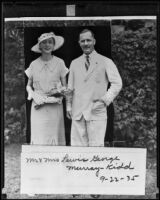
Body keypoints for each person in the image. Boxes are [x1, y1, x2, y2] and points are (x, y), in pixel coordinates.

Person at [67, 29, 122, 147]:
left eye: (88, 40)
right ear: (79, 43)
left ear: (94, 41)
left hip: (96, 111)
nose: (86, 43)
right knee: (77, 150)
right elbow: (70, 88)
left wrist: (105, 100)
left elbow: (117, 83)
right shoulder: (74, 63)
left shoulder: (106, 61)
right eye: (83, 41)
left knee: (96, 149)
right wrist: (68, 106)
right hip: (78, 112)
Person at [25, 32, 68, 145]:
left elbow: (65, 88)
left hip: (54, 106)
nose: (47, 45)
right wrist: (32, 93)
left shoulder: (60, 63)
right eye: (44, 42)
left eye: (50, 42)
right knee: (39, 138)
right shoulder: (33, 64)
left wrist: (53, 97)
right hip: (37, 107)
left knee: (54, 139)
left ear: (54, 45)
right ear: (39, 45)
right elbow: (28, 85)